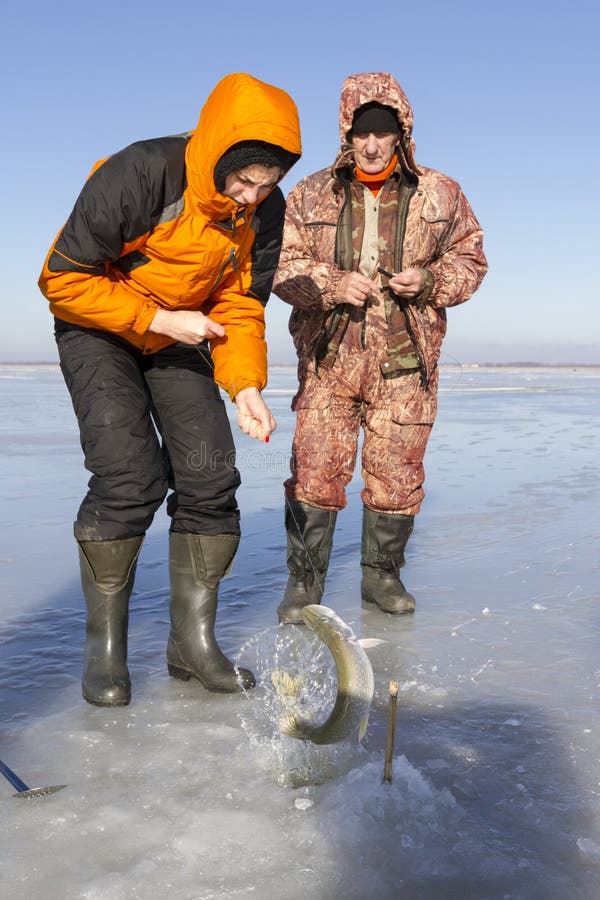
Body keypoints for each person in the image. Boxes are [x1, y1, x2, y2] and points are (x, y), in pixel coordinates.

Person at [38, 73, 301, 705]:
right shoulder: (142, 172)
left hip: (183, 331)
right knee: (129, 478)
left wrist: (244, 387)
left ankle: (192, 646)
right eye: (243, 180)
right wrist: (158, 319)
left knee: (210, 477)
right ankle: (104, 652)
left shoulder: (265, 210)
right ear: (216, 155)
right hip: (98, 325)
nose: (252, 195)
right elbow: (61, 279)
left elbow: (239, 305)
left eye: (267, 183)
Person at [272, 72, 487, 624]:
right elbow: (280, 266)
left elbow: (471, 260)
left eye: (382, 133)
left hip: (406, 366)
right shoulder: (310, 192)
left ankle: (382, 577)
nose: (371, 145)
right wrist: (329, 283)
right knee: (315, 469)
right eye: (361, 133)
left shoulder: (442, 193)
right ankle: (304, 583)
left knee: (397, 474)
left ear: (401, 134)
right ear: (347, 133)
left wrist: (431, 281)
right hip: (330, 362)